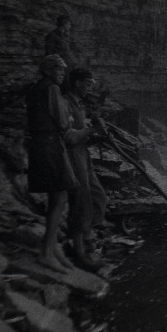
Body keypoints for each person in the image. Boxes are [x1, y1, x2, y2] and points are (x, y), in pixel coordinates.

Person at [26, 54, 79, 273]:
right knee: (60, 196)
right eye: (59, 69)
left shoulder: (35, 88)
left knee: (54, 196)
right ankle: (46, 253)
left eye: (64, 69)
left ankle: (52, 246)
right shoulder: (52, 89)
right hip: (50, 145)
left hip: (39, 143)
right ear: (48, 70)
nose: (62, 73)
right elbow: (62, 121)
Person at [63, 68, 111, 271]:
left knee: (98, 196)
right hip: (72, 156)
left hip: (83, 154)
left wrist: (95, 134)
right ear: (77, 83)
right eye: (88, 84)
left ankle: (89, 234)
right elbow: (69, 136)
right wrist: (91, 130)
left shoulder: (80, 103)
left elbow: (82, 133)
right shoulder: (65, 103)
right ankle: (80, 250)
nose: (90, 88)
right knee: (81, 201)